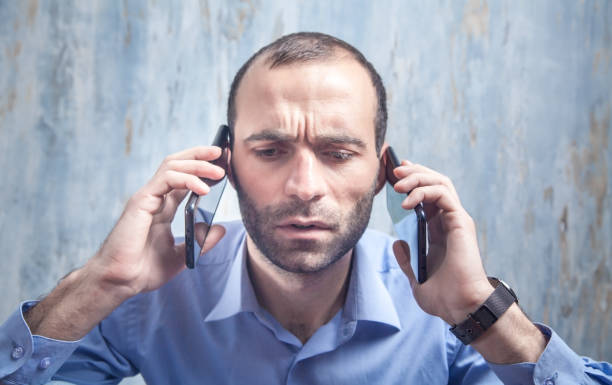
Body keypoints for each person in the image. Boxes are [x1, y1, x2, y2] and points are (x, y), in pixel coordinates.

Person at [0, 32, 610, 385]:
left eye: (339, 152)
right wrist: (100, 283)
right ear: (225, 163)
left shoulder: (449, 315)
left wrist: (484, 311)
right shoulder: (148, 299)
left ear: (383, 173)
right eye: (270, 150)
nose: (304, 185)